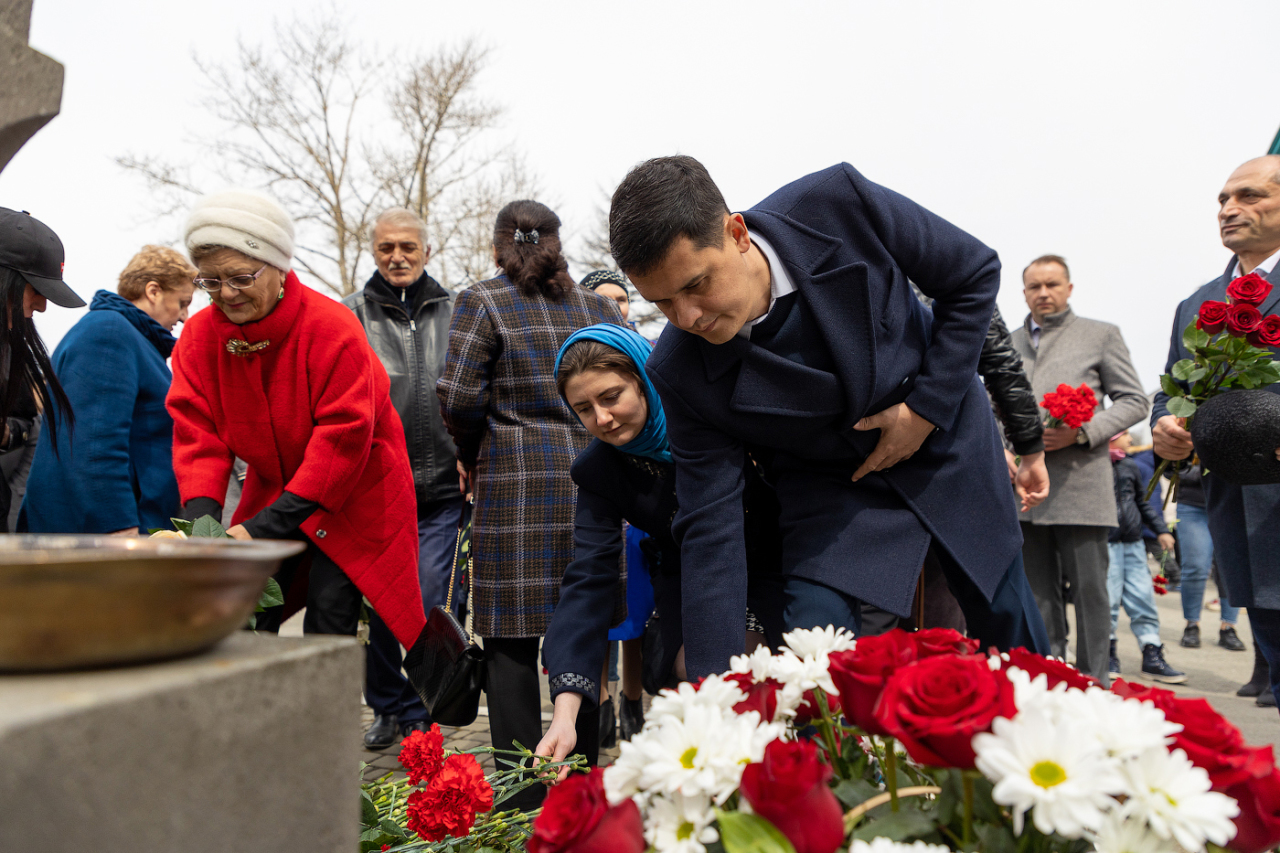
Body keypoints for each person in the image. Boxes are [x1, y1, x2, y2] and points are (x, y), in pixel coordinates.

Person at [608, 156, 1048, 680]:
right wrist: (713, 693)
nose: (688, 318)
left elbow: (972, 274)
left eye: (697, 284)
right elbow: (710, 527)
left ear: (737, 232)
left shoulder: (839, 204)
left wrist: (926, 408)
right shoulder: (679, 371)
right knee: (815, 660)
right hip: (832, 492)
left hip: (946, 443)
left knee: (1008, 629)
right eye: (662, 303)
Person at [167, 189, 425, 655]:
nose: (226, 294)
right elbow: (197, 433)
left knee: (331, 612)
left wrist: (264, 527)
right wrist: (202, 525)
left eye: (241, 278)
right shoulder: (199, 339)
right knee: (249, 611)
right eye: (210, 282)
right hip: (275, 487)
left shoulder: (332, 328)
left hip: (358, 493)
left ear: (277, 266)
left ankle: (343, 717)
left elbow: (343, 439)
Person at [436, 200, 622, 809]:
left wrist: (470, 449)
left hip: (511, 487)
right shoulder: (597, 306)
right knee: (585, 634)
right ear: (558, 245)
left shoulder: (482, 301)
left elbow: (459, 394)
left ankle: (521, 807)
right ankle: (582, 798)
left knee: (511, 647)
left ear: (497, 249)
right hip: (592, 481)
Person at [534, 324, 782, 777]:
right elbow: (589, 579)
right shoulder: (598, 470)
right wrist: (565, 711)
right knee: (694, 679)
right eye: (584, 409)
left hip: (779, 567)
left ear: (644, 379)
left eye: (611, 397)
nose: (603, 419)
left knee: (761, 686)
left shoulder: (711, 415)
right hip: (690, 580)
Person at [1153, 154, 1280, 709]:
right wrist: (1164, 426)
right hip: (1235, 506)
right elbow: (1170, 391)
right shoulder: (1195, 303)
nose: (1229, 209)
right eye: (1223, 201)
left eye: (1249, 196)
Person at [343, 208, 465, 750]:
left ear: (426, 252)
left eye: (408, 248)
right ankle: (387, 708)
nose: (397, 257)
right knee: (376, 603)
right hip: (375, 490)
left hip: (440, 490)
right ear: (374, 251)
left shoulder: (458, 311)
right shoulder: (351, 316)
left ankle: (421, 709)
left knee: (425, 598)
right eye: (387, 247)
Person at [1011, 255, 1148, 683]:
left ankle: (1094, 679)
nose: (1043, 293)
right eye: (1034, 286)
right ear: (1024, 293)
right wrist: (1005, 451)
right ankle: (1049, 676)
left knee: (1091, 591)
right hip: (1024, 487)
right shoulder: (1006, 341)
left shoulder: (1100, 335)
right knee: (1037, 593)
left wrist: (1083, 432)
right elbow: (993, 407)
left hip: (1081, 484)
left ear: (1069, 288)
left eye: (1052, 284)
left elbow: (1135, 400)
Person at [23, 246, 195, 534]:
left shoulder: (132, 340)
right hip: (101, 544)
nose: (185, 316)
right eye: (183, 302)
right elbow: (93, 444)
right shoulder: (109, 333)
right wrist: (118, 528)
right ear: (153, 291)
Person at [0, 207, 84, 530]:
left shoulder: (9, 351)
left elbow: (24, 421)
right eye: (36, 289)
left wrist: (6, 433)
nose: (43, 305)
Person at [1106, 431, 1185, 682]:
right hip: (1104, 544)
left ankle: (1152, 654)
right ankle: (1106, 654)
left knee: (1143, 598)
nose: (1130, 439)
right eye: (1125, 434)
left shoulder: (1130, 466)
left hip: (1133, 543)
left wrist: (1161, 530)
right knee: (1107, 601)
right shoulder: (1092, 464)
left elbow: (1142, 502)